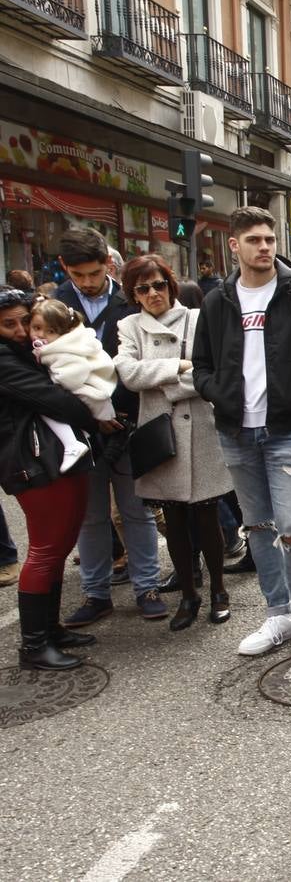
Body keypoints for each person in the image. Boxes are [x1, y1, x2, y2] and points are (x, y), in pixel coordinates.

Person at [193, 206, 291, 658]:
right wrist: (215, 392)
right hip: (236, 431)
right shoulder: (218, 300)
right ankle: (276, 614)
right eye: (254, 240)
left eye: (269, 239)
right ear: (234, 245)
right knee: (257, 527)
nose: (264, 247)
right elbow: (202, 362)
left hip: (283, 430)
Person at [114, 254, 232, 630]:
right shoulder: (129, 326)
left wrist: (167, 379)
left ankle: (218, 590)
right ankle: (188, 594)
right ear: (133, 295)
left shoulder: (197, 319)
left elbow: (209, 373)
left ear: (170, 283)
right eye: (142, 288)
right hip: (159, 432)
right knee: (175, 519)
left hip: (199, 428)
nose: (152, 294)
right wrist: (177, 367)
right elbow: (129, 374)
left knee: (207, 515)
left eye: (158, 284)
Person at [54, 228, 165, 627]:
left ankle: (147, 587)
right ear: (66, 268)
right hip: (81, 430)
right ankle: (95, 594)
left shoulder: (132, 299)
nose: (87, 282)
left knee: (138, 512)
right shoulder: (54, 304)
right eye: (79, 275)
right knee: (91, 516)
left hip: (131, 423)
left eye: (95, 273)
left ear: (109, 264)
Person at [0, 287, 98, 669]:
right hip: (30, 463)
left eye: (26, 321)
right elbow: (56, 400)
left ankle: (50, 629)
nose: (22, 330)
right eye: (9, 325)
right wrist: (95, 416)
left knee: (58, 547)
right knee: (44, 550)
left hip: (52, 460)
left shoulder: (27, 351)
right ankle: (34, 646)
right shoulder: (6, 359)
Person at [27, 296, 115, 471]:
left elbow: (72, 376)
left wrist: (52, 381)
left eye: (50, 331)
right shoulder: (66, 344)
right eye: (36, 328)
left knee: (45, 406)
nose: (41, 334)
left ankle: (72, 444)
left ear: (63, 333)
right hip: (91, 396)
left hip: (89, 396)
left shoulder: (62, 349)